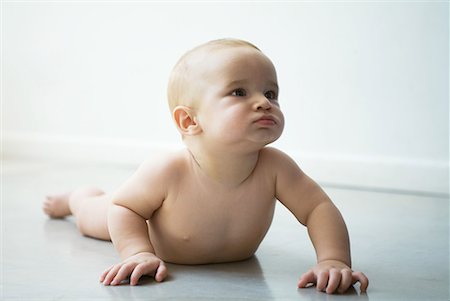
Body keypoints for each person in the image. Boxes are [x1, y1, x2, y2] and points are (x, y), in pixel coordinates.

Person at [43, 38, 369, 294]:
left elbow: (318, 207)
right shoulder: (169, 168)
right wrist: (136, 252)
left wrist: (333, 259)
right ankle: (76, 197)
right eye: (239, 92)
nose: (263, 101)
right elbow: (124, 207)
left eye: (271, 92)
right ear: (190, 120)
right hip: (130, 217)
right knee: (92, 214)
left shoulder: (276, 168)